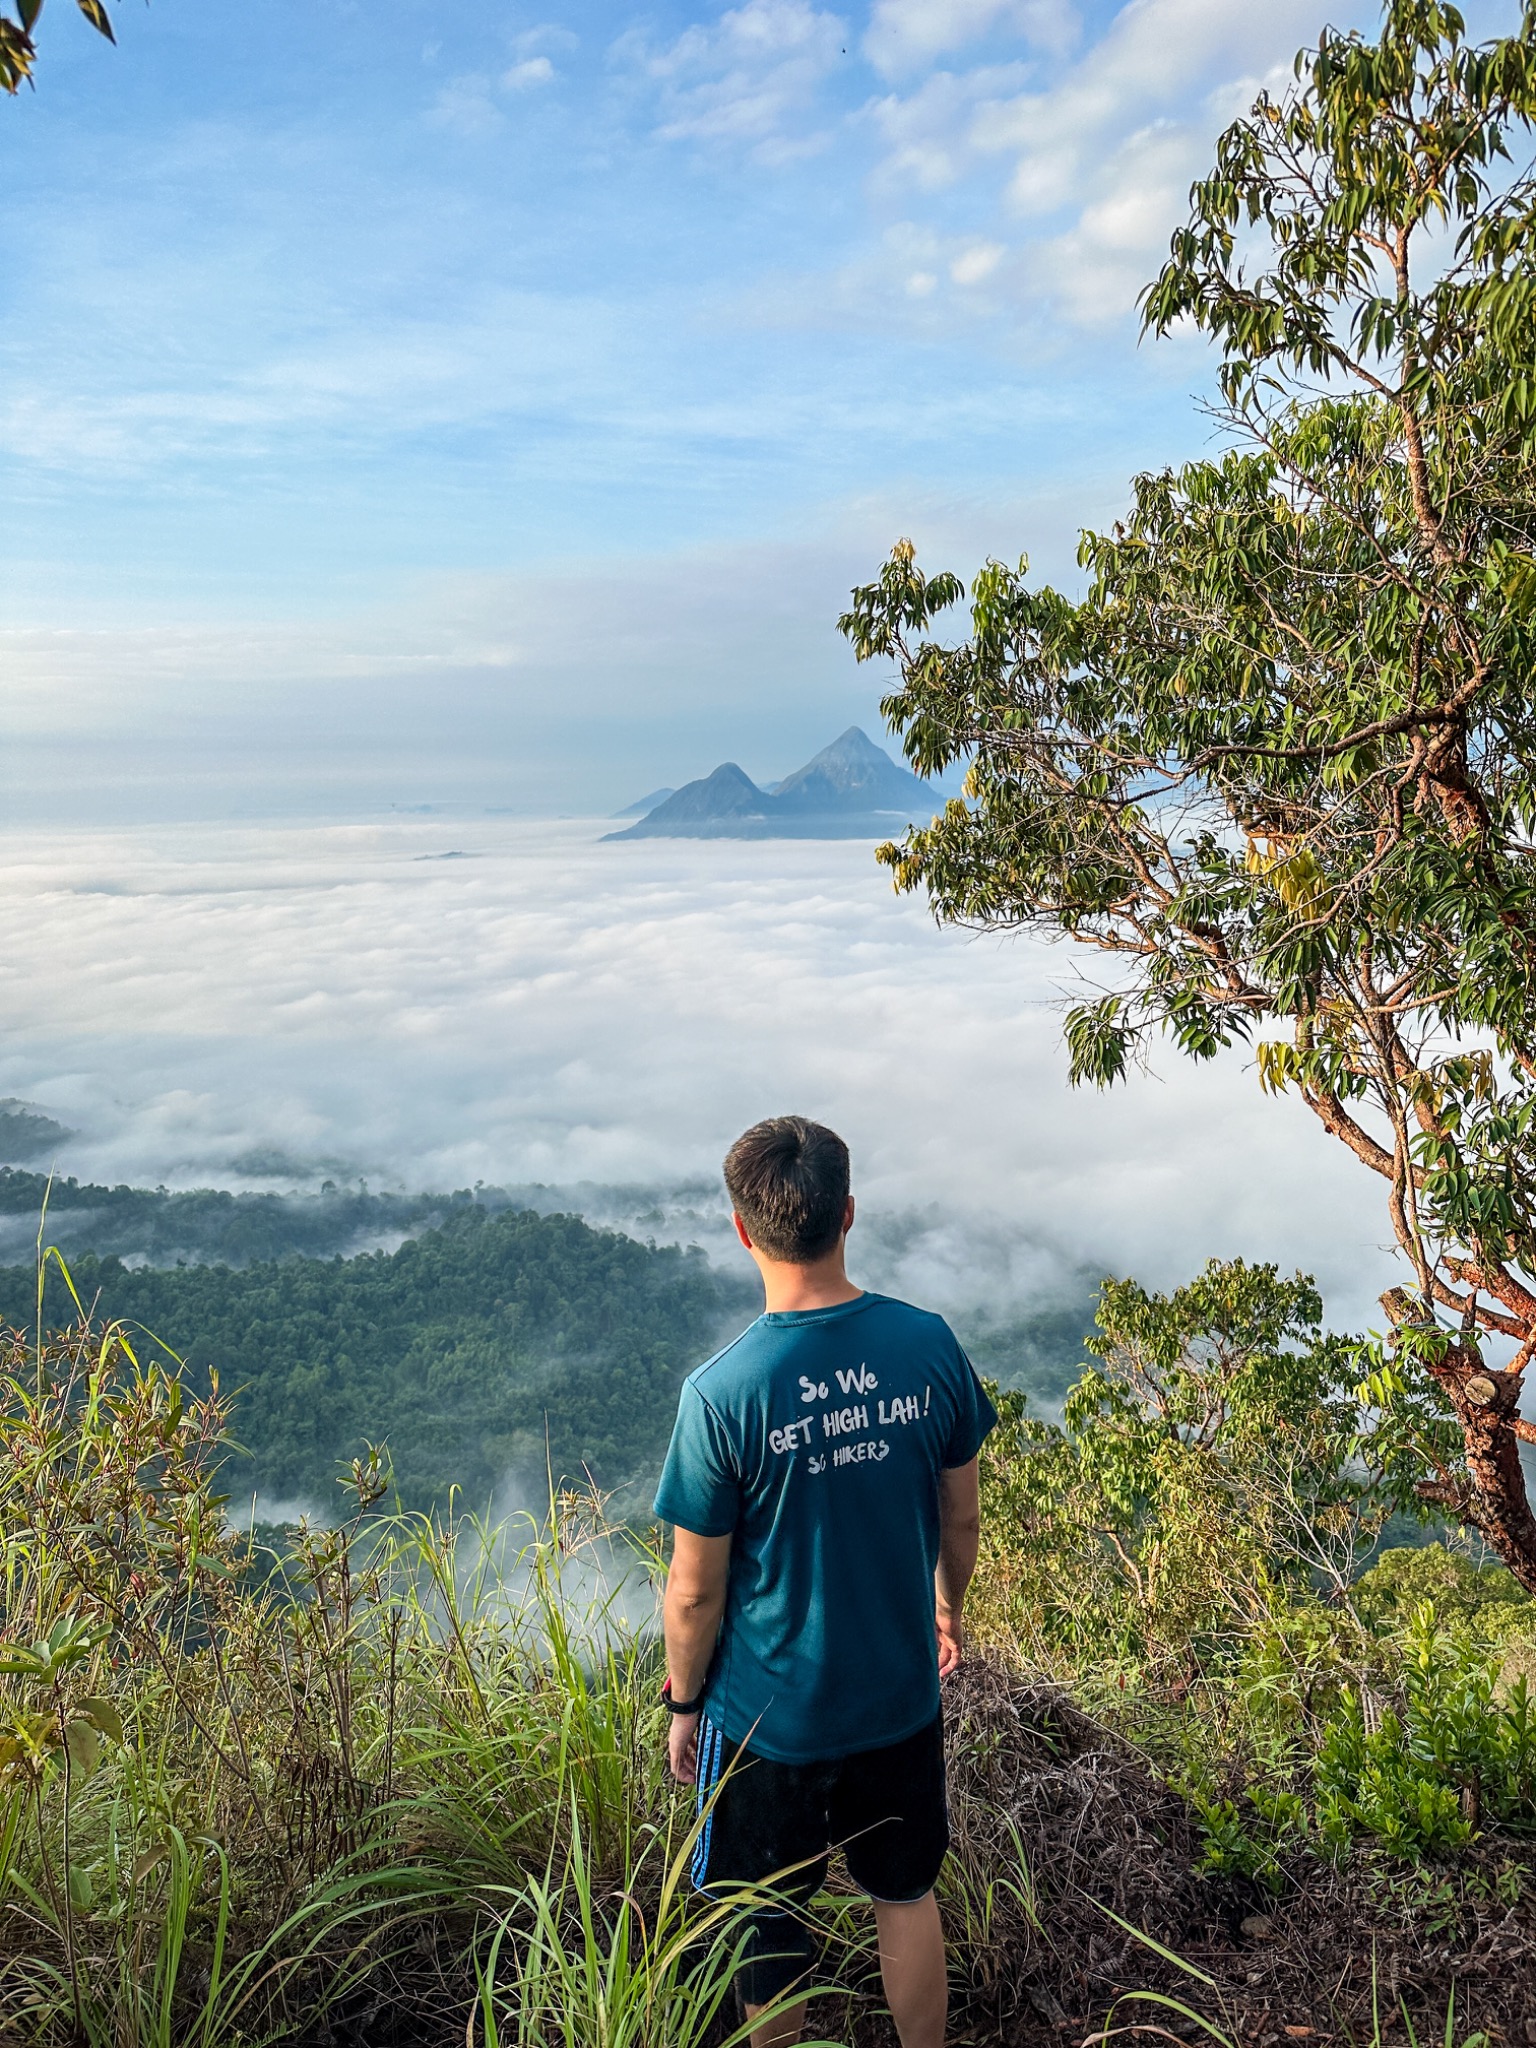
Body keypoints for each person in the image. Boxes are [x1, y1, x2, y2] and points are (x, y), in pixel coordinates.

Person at [653, 1115, 997, 2048]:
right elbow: (960, 1515)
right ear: (849, 1213)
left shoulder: (722, 1395)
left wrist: (685, 1702)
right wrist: (946, 1613)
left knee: (767, 1926)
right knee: (906, 1893)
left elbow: (694, 1592)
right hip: (898, 1695)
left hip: (772, 1719)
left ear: (739, 1230)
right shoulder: (928, 1347)